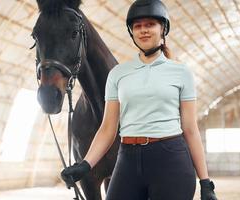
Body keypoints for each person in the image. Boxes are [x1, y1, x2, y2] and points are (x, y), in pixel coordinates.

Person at [61, 0, 218, 199]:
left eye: (150, 24)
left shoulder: (181, 73)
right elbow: (108, 129)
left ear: (163, 29)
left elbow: (190, 129)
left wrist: (206, 183)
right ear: (132, 32)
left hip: (170, 160)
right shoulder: (118, 74)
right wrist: (85, 165)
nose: (143, 30)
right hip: (128, 160)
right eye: (138, 26)